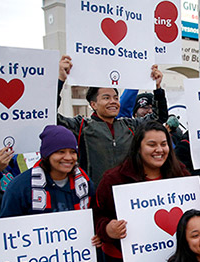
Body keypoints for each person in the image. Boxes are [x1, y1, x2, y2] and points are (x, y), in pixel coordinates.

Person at [0, 125, 102, 262]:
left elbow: (96, 219)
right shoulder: (21, 187)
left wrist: (99, 234)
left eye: (72, 151)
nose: (68, 157)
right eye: (60, 152)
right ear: (47, 154)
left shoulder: (84, 183)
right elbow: (5, 234)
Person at [94, 121, 190, 262]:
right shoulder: (113, 179)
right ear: (138, 147)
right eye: (151, 144)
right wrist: (108, 229)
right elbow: (97, 215)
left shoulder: (180, 173)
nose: (159, 150)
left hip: (171, 257)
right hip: (125, 260)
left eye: (164, 144)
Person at [56, 55, 168, 187]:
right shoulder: (81, 126)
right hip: (95, 196)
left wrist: (157, 88)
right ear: (93, 104)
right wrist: (60, 80)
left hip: (130, 195)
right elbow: (51, 117)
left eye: (115, 98)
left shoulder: (130, 125)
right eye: (106, 98)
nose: (113, 102)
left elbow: (158, 118)